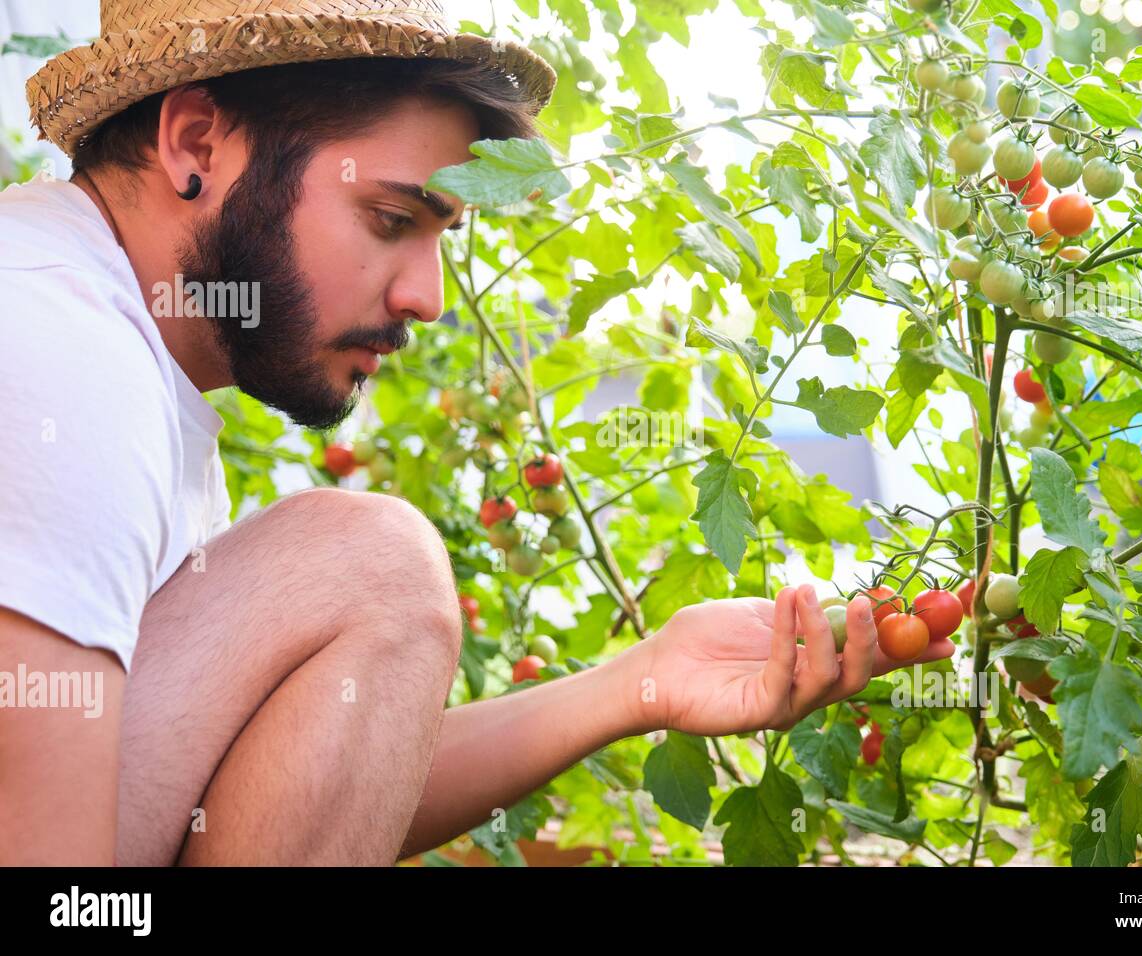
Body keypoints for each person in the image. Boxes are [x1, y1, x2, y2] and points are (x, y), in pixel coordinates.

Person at [0, 0, 955, 866]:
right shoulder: (58, 349)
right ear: (196, 142)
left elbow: (276, 804)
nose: (426, 297)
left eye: (439, 238)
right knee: (374, 564)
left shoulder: (106, 341)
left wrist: (639, 683)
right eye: (389, 218)